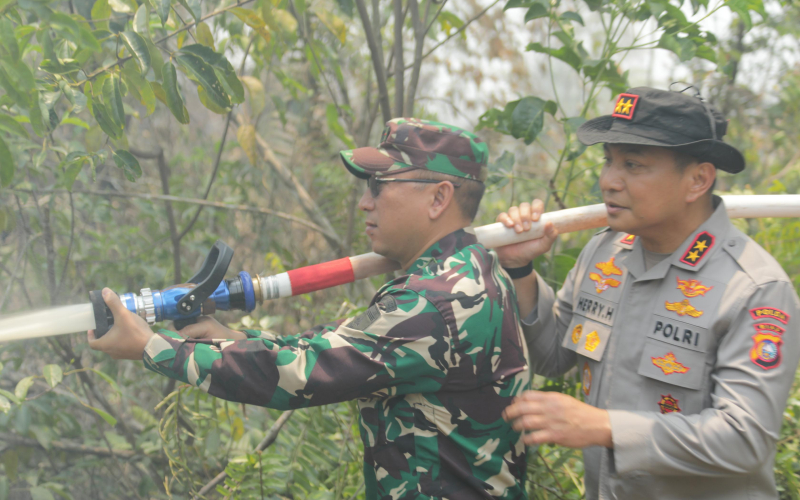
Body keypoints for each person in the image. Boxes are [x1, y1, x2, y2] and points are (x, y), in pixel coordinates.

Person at [88, 118, 531, 499]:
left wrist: (153, 347)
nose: (365, 202)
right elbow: (337, 347)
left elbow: (299, 373)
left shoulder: (439, 299)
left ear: (439, 198)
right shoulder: (470, 269)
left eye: (381, 185)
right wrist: (234, 340)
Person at [496, 87, 800, 499]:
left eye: (633, 165)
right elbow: (554, 355)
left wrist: (605, 428)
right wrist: (520, 269)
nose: (608, 181)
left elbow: (744, 439)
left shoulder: (754, 289)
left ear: (697, 180)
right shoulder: (605, 253)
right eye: (608, 161)